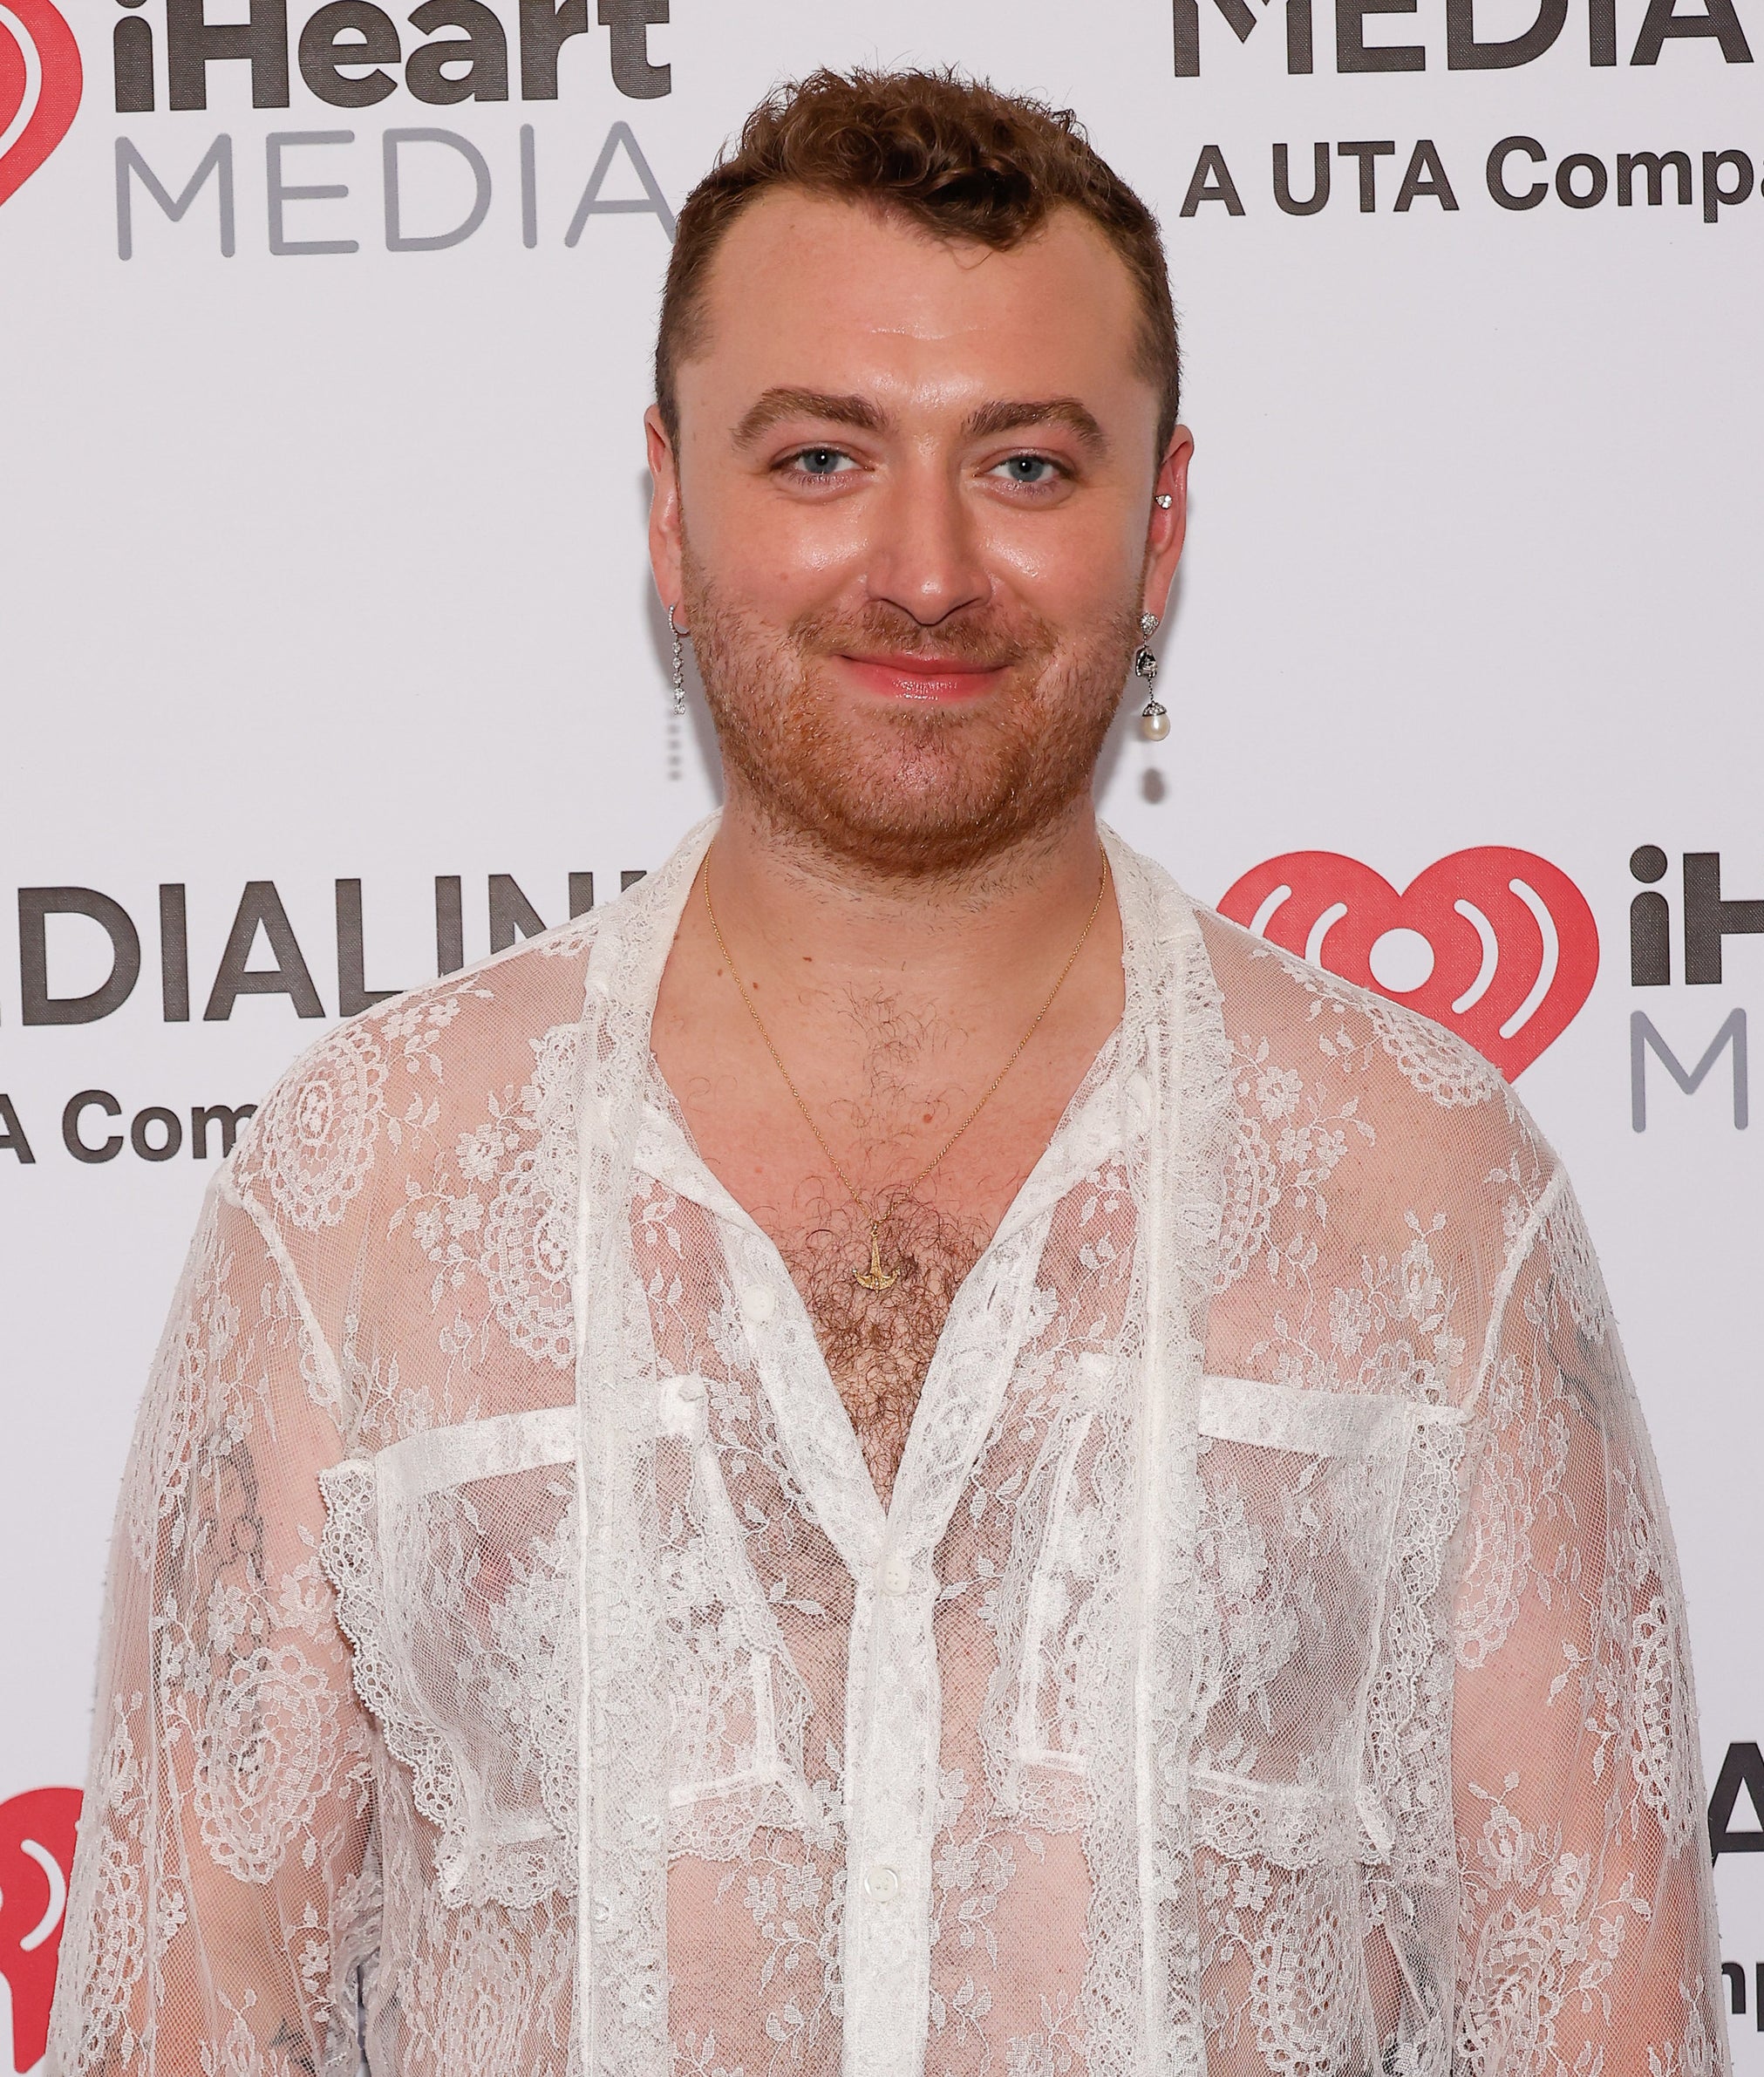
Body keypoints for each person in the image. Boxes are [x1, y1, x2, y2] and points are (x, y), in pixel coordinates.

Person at [49, 66, 1724, 2077]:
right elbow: (183, 2028)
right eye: (823, 458)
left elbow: (1604, 2036)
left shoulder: (1432, 1194)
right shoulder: (362, 1191)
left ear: (1160, 521)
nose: (924, 570)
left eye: (1023, 466)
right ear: (670, 510)